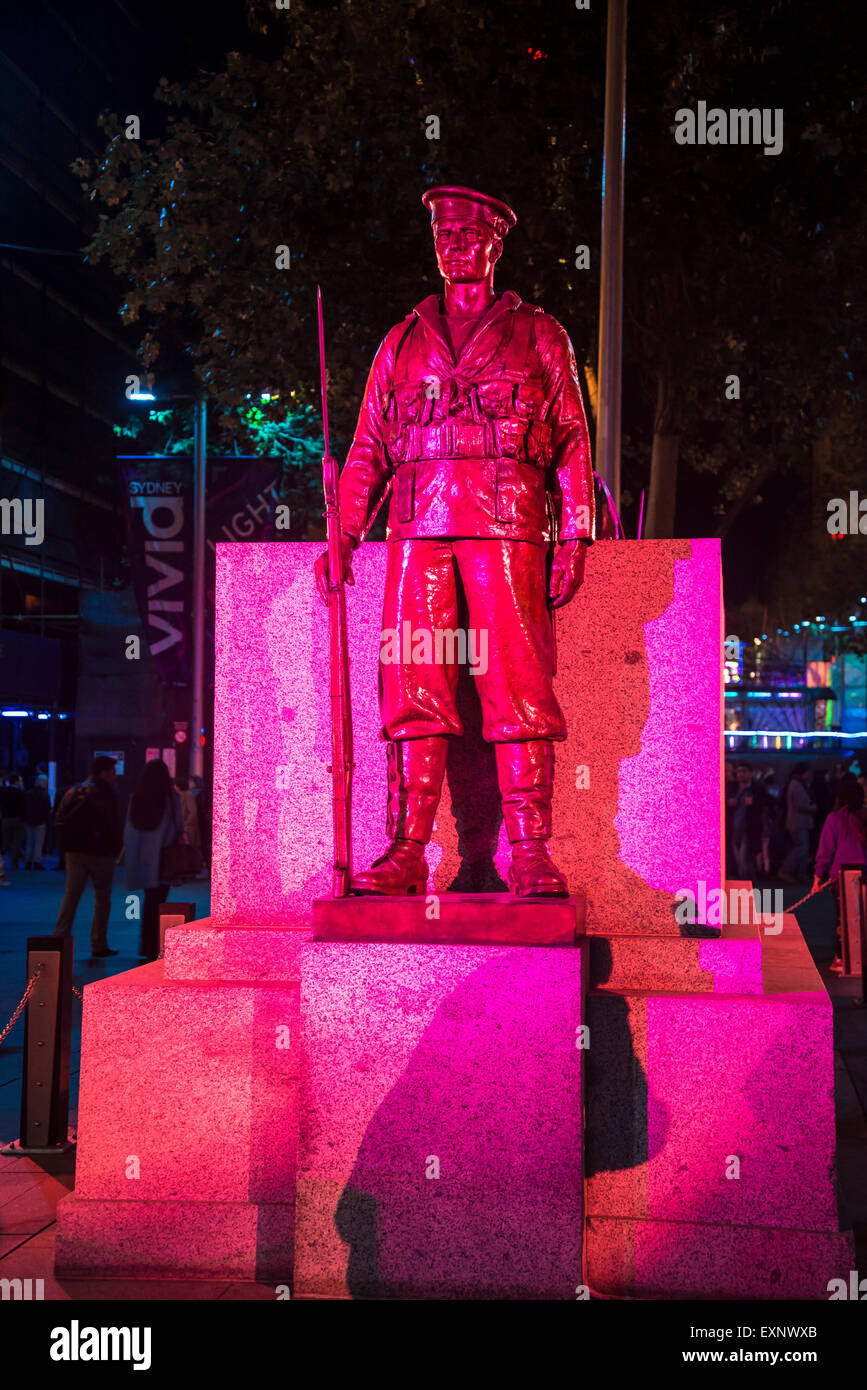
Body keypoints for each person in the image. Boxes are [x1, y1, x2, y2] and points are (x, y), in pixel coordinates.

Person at [314, 185, 595, 896]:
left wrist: (575, 533)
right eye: (443, 236)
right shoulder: (402, 340)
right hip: (417, 531)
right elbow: (369, 445)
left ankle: (529, 851)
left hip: (507, 528)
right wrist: (345, 529)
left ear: (495, 246)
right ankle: (406, 851)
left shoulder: (538, 333)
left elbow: (569, 438)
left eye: (468, 237)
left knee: (518, 688)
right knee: (413, 687)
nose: (454, 247)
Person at [53, 756, 123, 958]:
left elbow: (58, 818)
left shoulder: (74, 790)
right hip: (100, 853)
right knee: (102, 898)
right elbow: (112, 822)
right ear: (104, 772)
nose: (115, 776)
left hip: (74, 852)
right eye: (113, 771)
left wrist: (64, 847)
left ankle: (59, 937)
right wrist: (115, 848)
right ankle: (98, 943)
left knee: (71, 895)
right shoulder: (104, 792)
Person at [124, 759, 183, 962]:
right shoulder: (170, 796)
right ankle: (157, 945)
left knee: (149, 902)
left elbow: (130, 829)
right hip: (164, 857)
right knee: (160, 903)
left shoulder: (136, 798)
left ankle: (146, 946)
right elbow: (178, 826)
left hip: (144, 858)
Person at [812, 774, 867, 971]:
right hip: (864, 873)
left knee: (842, 916)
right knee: (863, 917)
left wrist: (818, 877)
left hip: (840, 876)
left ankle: (842, 958)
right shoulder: (864, 816)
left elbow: (825, 850)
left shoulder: (834, 819)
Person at [729, 761, 769, 882]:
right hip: (734, 828)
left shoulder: (757, 788)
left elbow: (769, 802)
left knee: (744, 860)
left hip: (749, 829)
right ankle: (749, 887)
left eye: (744, 771)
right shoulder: (732, 787)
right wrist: (728, 802)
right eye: (739, 772)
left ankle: (748, 887)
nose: (741, 774)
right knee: (739, 860)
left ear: (751, 774)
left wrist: (754, 802)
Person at [779, 762, 816, 883]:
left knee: (801, 848)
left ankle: (800, 874)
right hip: (799, 822)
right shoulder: (797, 785)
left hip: (796, 822)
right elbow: (800, 805)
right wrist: (814, 808)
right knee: (801, 848)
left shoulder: (794, 783)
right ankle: (786, 870)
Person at [23, 774, 51, 869]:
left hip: (28, 821)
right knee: (39, 843)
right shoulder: (45, 794)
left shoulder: (28, 793)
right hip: (40, 822)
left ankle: (27, 861)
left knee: (29, 842)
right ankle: (36, 862)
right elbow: (47, 809)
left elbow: (24, 807)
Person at [1, 774, 26, 872]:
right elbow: (24, 807)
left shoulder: (3, 791)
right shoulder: (21, 792)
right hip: (18, 819)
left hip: (6, 819)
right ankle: (16, 862)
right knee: (17, 842)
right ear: (16, 782)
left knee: (8, 842)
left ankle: (20, 858)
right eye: (20, 781)